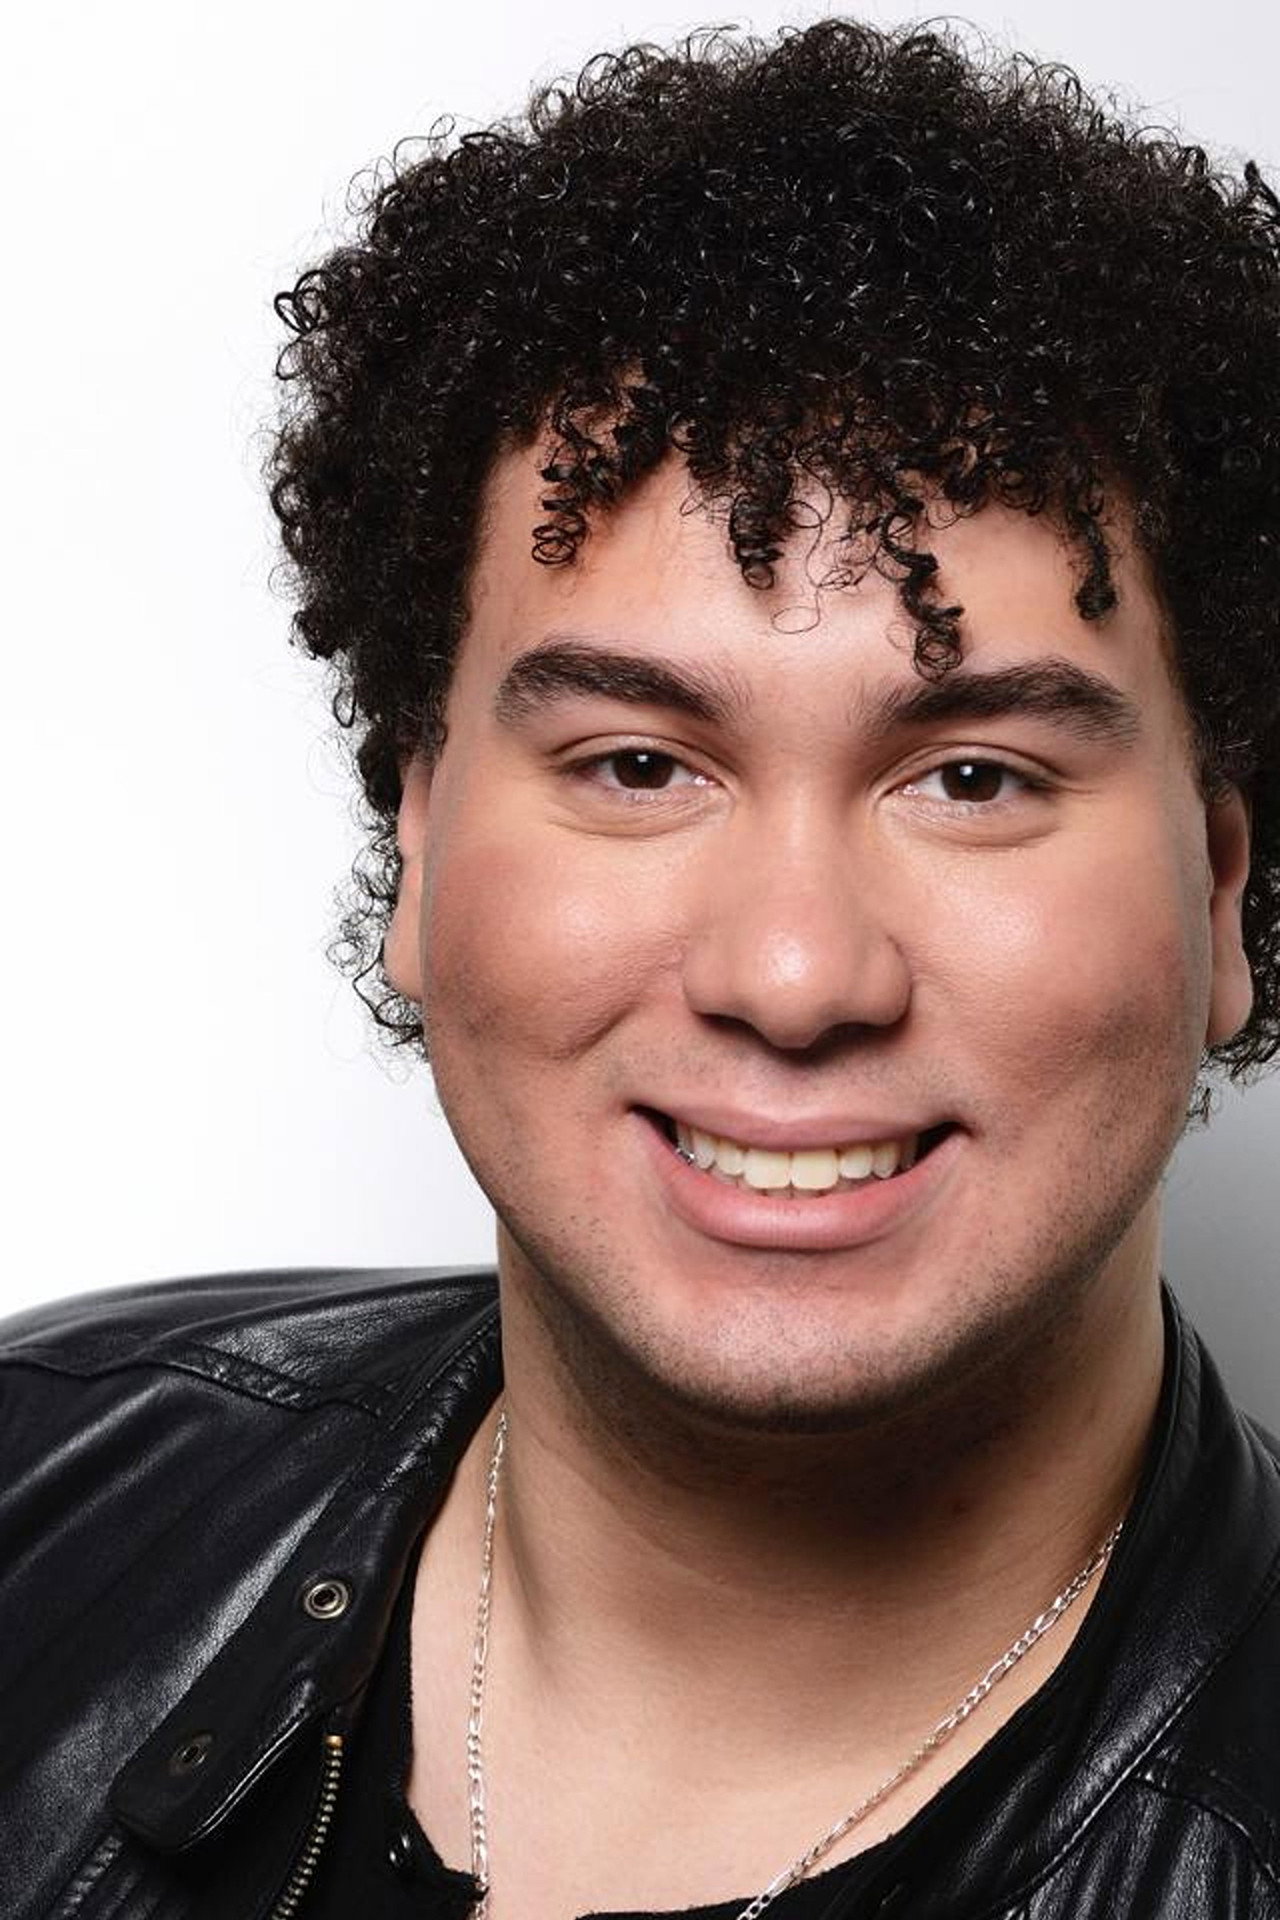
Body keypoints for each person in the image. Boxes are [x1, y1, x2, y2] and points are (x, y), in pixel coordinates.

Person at [4, 17, 1280, 1919]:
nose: (796, 972)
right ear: (419, 842)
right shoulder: (41, 1491)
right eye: (636, 765)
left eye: (975, 777)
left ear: (1222, 897)